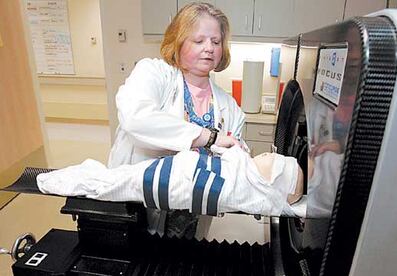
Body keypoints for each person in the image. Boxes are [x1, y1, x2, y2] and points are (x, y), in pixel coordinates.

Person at [108, 2, 246, 238]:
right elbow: (136, 118)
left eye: (215, 41)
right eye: (199, 40)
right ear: (178, 41)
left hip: (194, 213)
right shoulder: (153, 73)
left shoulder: (230, 107)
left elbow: (233, 163)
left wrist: (241, 156)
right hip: (138, 204)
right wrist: (208, 137)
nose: (209, 49)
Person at [37, 146, 304, 229]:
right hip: (171, 170)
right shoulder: (245, 166)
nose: (270, 155)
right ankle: (90, 176)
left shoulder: (253, 191)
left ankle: (65, 181)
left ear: (270, 182)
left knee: (116, 184)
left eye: (273, 161)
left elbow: (277, 204)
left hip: (170, 184)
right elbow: (231, 152)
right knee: (121, 176)